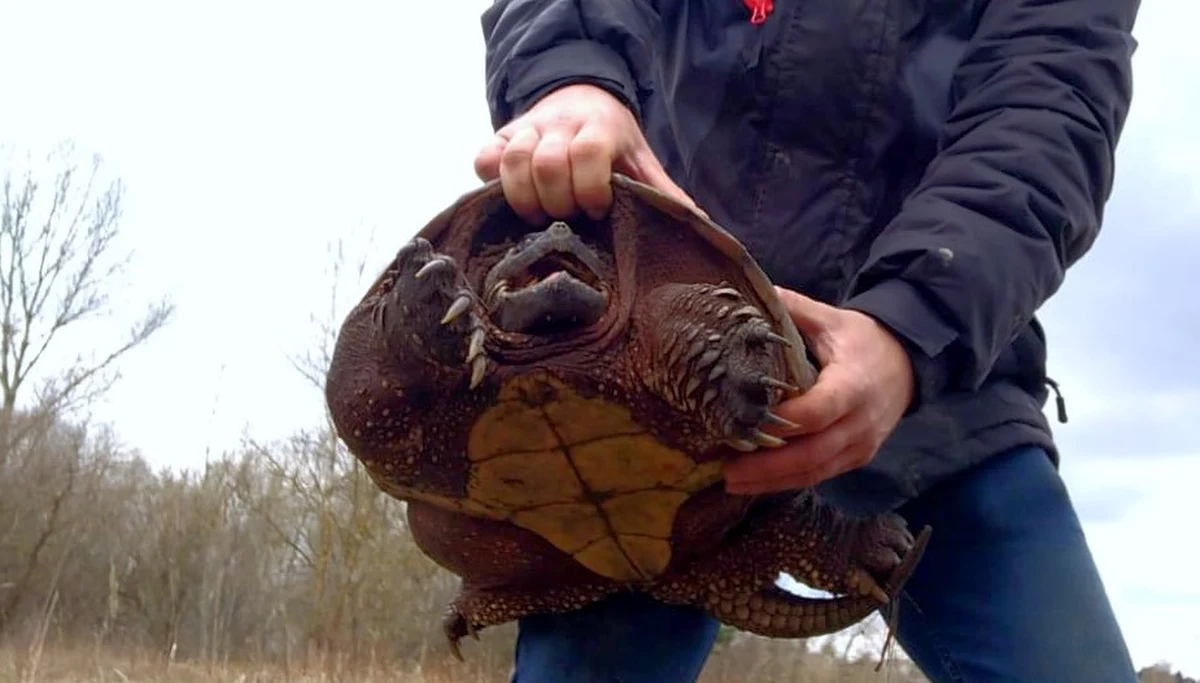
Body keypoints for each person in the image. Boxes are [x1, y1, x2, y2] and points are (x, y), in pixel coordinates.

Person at [473, 0, 1142, 680]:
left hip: (943, 388)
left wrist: (913, 324)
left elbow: (1049, 102)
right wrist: (574, 80)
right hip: (647, 374)